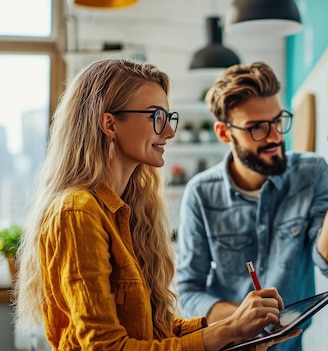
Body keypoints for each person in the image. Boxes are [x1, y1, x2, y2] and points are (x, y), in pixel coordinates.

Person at [14, 59, 298, 351]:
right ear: (109, 123)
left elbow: (155, 330)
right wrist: (229, 330)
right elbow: (106, 347)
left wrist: (240, 328)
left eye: (168, 117)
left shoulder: (126, 210)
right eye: (156, 116)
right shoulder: (77, 212)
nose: (169, 132)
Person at [176, 62, 328, 350]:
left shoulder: (311, 172)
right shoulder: (201, 194)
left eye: (277, 121)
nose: (275, 137)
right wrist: (242, 322)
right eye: (256, 128)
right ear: (224, 133)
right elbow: (189, 292)